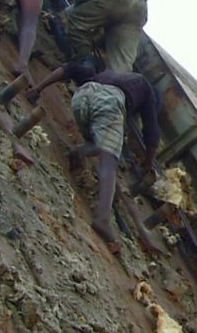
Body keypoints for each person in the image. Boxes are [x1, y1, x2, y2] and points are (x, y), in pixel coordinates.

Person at [29, 60, 163, 251]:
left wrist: (38, 88)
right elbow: (152, 134)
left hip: (81, 97)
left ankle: (78, 152)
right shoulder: (147, 90)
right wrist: (147, 165)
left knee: (101, 141)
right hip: (109, 102)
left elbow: (70, 69)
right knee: (110, 162)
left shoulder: (109, 74)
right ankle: (103, 220)